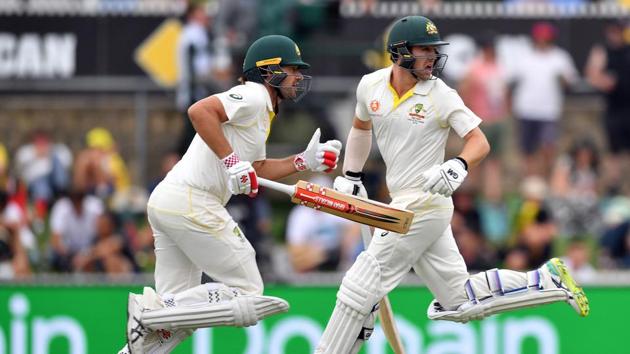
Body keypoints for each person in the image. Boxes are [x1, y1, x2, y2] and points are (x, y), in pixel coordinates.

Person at [315, 16, 589, 354]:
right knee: (460, 300)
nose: (432, 57)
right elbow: (360, 128)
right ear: (400, 52)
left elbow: (479, 141)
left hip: (425, 203)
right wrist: (352, 176)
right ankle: (546, 280)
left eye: (435, 50)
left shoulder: (440, 94)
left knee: (361, 285)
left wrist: (457, 165)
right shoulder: (370, 86)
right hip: (403, 201)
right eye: (425, 50)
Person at [119, 34, 342, 354]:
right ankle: (153, 310)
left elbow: (258, 168)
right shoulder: (252, 95)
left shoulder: (262, 112)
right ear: (269, 72)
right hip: (192, 199)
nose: (297, 77)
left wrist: (302, 161)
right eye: (292, 69)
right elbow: (199, 112)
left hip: (173, 201)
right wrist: (232, 162)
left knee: (174, 326)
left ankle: (151, 321)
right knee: (249, 290)